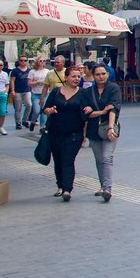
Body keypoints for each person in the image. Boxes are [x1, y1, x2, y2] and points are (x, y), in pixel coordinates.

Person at [42, 67, 87, 201]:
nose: (76, 79)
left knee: (68, 160)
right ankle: (60, 186)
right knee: (58, 160)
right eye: (73, 76)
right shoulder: (56, 92)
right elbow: (45, 109)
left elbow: (88, 110)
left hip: (74, 134)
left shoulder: (83, 93)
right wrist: (49, 110)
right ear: (66, 78)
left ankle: (67, 189)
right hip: (55, 132)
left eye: (78, 77)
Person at [82, 64, 121, 203]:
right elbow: (87, 114)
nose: (101, 76)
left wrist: (111, 127)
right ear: (93, 76)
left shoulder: (113, 88)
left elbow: (114, 109)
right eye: (98, 74)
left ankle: (107, 189)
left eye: (103, 73)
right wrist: (102, 111)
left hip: (108, 128)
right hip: (93, 130)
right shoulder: (87, 92)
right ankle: (102, 185)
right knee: (99, 159)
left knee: (107, 158)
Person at [9, 55, 32, 131]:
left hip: (27, 90)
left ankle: (25, 120)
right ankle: (18, 123)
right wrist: (12, 90)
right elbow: (12, 81)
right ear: (19, 61)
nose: (23, 62)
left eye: (25, 60)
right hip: (18, 91)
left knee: (29, 105)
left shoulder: (29, 70)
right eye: (21, 60)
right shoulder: (15, 70)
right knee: (18, 108)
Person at [27, 57, 49, 134]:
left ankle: (42, 126)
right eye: (40, 61)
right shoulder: (32, 72)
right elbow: (29, 83)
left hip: (45, 93)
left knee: (44, 111)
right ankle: (33, 121)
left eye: (44, 61)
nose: (42, 62)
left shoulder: (47, 71)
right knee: (36, 111)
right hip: (35, 93)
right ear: (37, 62)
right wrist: (37, 82)